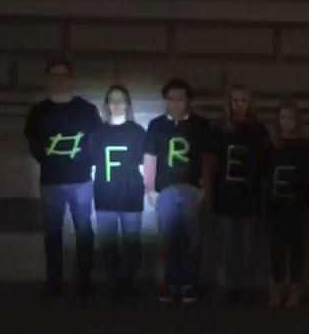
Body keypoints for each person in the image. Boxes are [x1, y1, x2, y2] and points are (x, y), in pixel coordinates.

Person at [24, 57, 101, 297]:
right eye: (55, 74)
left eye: (63, 74)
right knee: (52, 232)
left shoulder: (86, 109)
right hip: (51, 181)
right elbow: (33, 143)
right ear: (49, 78)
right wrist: (50, 161)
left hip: (81, 180)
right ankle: (54, 280)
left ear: (70, 78)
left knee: (84, 231)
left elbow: (96, 141)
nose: (59, 79)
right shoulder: (39, 111)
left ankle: (84, 278)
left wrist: (85, 162)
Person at [144, 78, 214, 304]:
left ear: (188, 101)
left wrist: (205, 188)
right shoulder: (156, 125)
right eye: (171, 98)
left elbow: (207, 159)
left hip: (191, 189)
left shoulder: (200, 125)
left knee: (192, 239)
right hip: (164, 190)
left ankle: (189, 283)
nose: (175, 103)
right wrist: (150, 189)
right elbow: (150, 157)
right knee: (167, 240)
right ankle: (171, 281)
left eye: (180, 98)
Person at [212, 85, 272, 306]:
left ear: (250, 104)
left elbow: (266, 166)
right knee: (228, 245)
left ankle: (247, 286)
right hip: (225, 195)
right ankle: (229, 286)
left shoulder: (259, 131)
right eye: (235, 100)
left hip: (250, 196)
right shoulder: (219, 130)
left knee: (248, 246)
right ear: (229, 103)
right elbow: (212, 164)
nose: (239, 104)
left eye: (243, 100)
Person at [89, 85, 146, 297]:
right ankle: (113, 281)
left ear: (127, 104)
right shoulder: (98, 133)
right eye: (112, 100)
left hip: (131, 195)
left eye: (120, 99)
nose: (116, 104)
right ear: (106, 105)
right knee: (108, 243)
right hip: (105, 195)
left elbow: (146, 163)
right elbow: (91, 162)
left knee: (132, 242)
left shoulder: (138, 132)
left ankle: (128, 282)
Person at [265, 101, 309, 308]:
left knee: (296, 250)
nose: (287, 121)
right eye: (283, 117)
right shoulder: (272, 146)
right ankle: (277, 288)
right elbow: (265, 176)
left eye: (291, 117)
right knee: (276, 250)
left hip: (298, 205)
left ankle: (295, 290)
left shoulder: (306, 146)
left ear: (297, 120)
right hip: (275, 204)